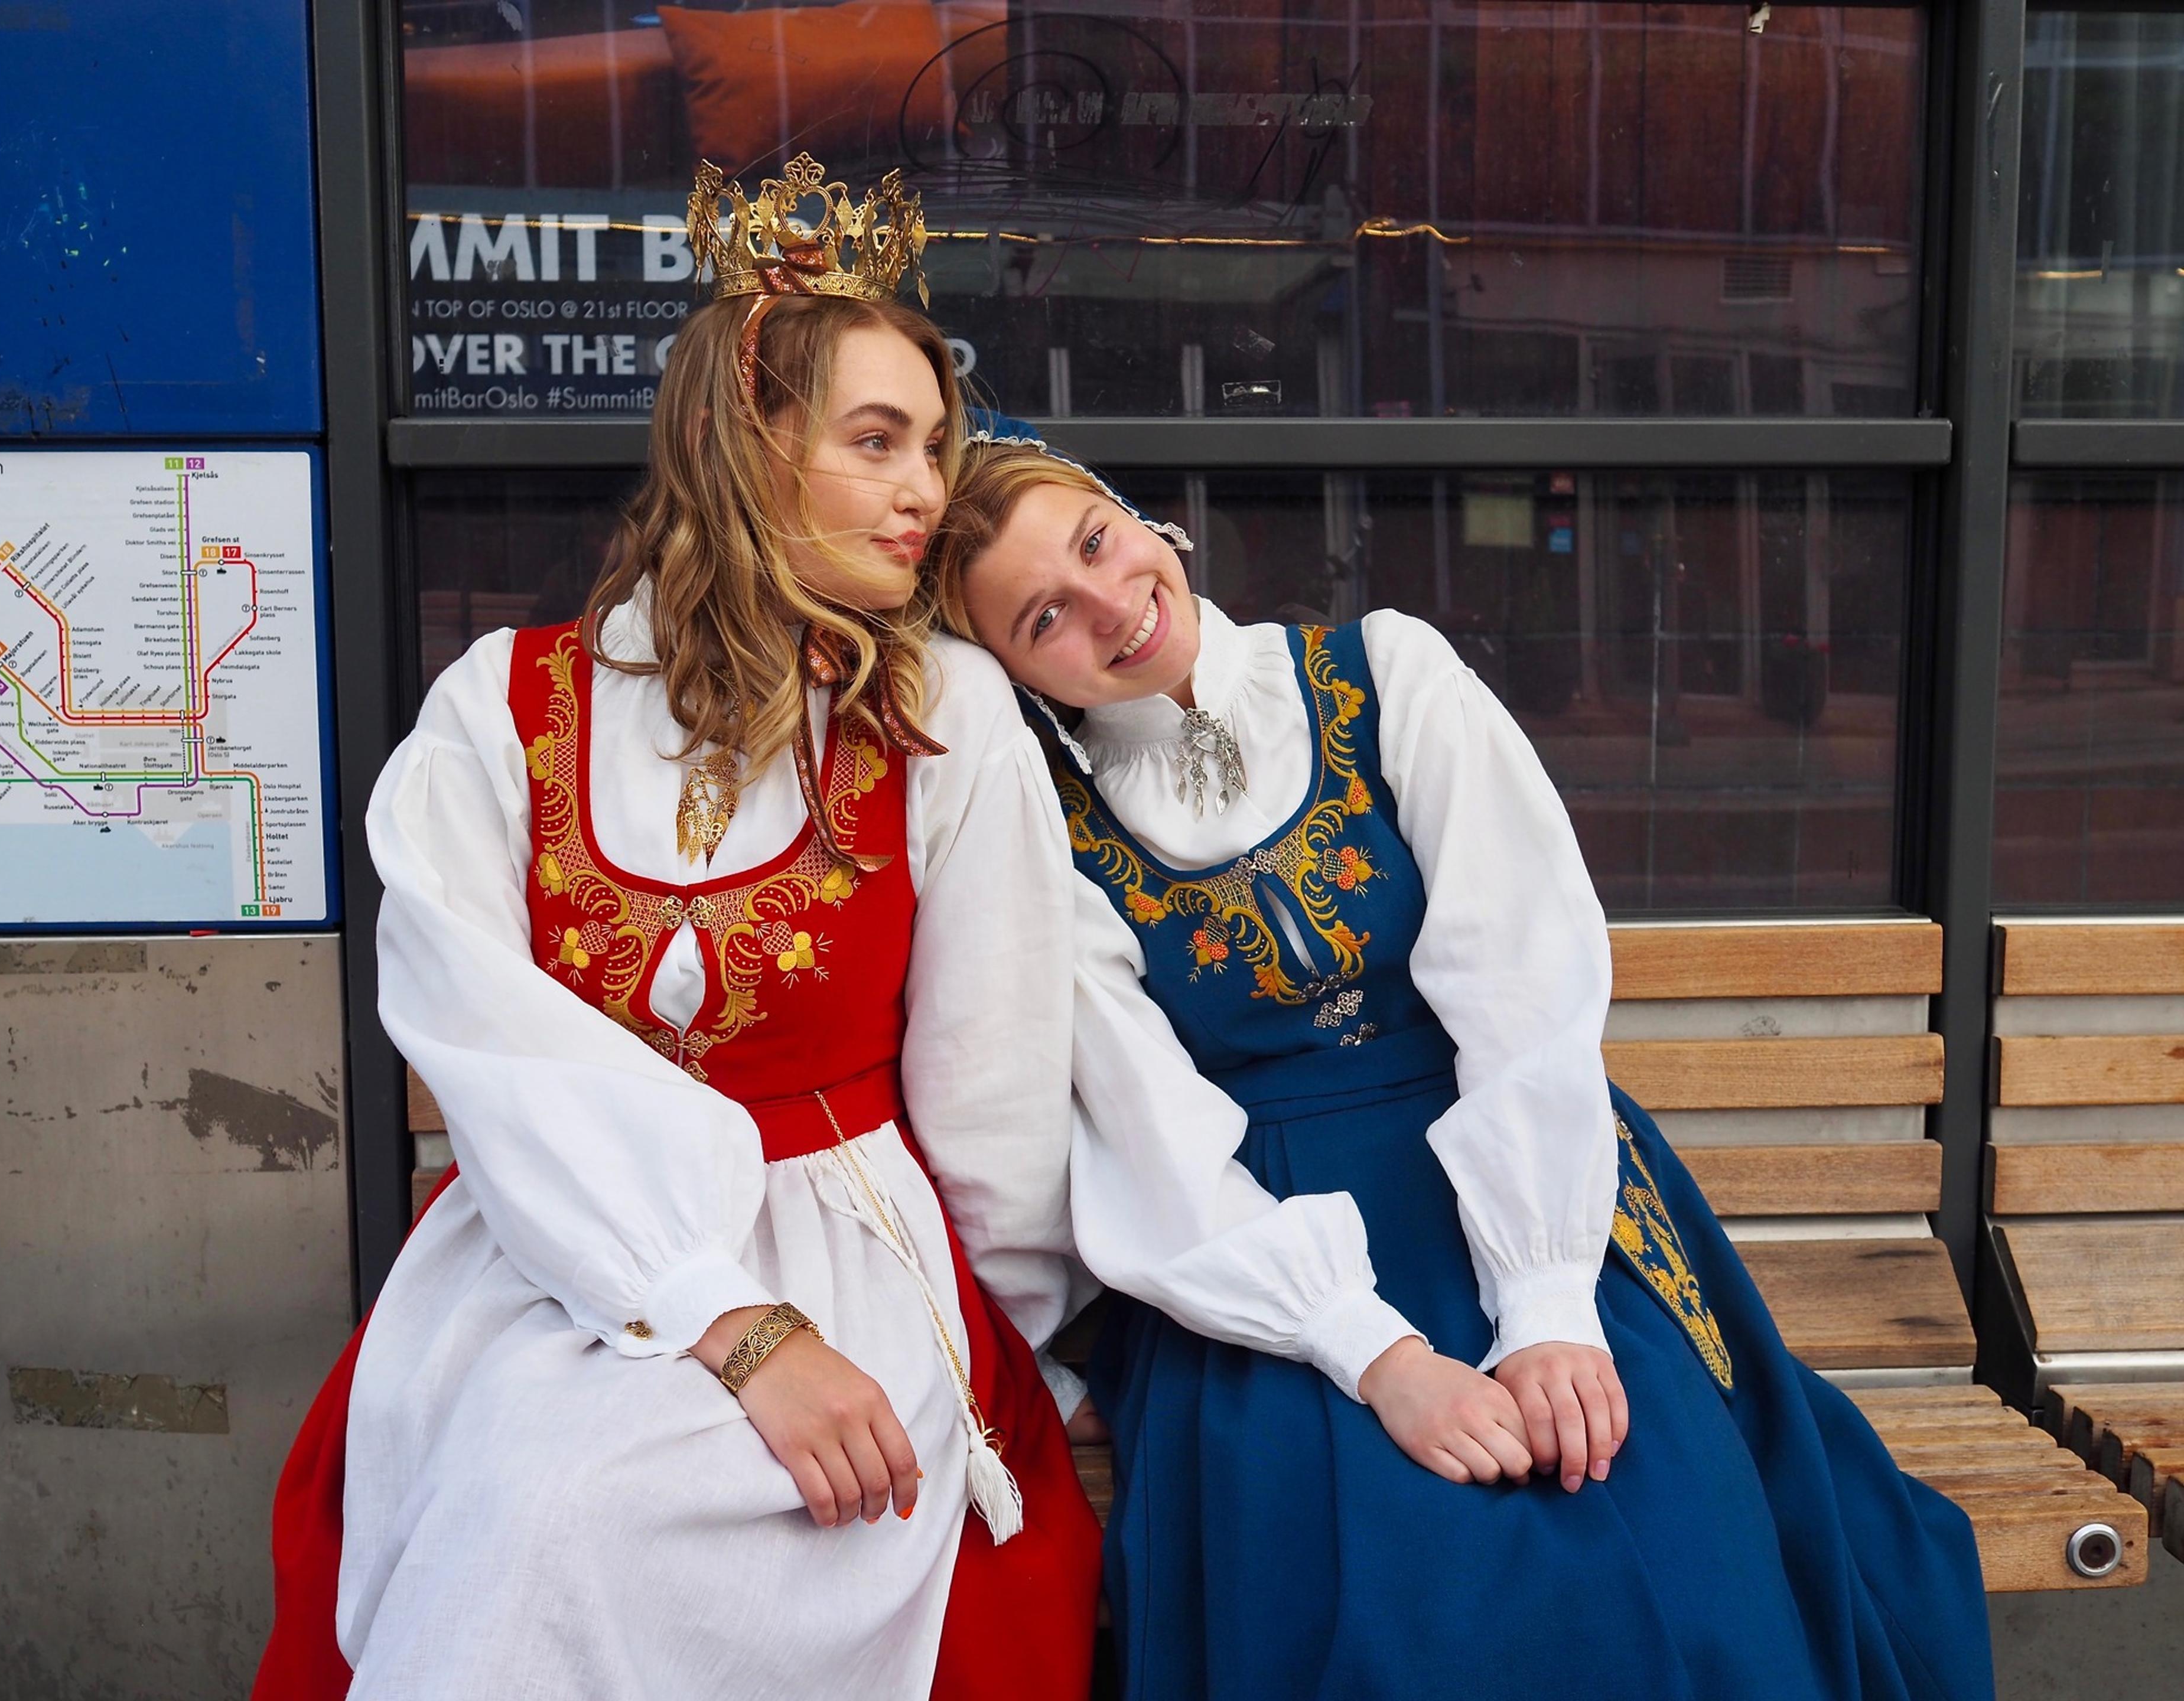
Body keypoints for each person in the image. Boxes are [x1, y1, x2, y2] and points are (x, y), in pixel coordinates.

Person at [927, 438, 1999, 1701]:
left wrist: (1544, 1305)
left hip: (1512, 1171)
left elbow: (1520, 986)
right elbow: (1148, 1133)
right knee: (1382, 1594)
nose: (1108, 606)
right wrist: (1374, 1354)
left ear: (1143, 521)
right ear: (1007, 670)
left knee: (1653, 1526)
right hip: (1258, 1253)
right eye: (1044, 615)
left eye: (1097, 542)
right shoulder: (1051, 829)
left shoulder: (1385, 671)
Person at [251, 161, 1101, 1701]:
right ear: (744, 444)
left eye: (937, 446)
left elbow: (996, 1085)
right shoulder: (504, 712)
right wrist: (720, 1317)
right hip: (562, 1248)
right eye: (875, 440)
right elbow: (487, 1045)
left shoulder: (939, 715)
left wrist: (1002, 1354)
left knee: (617, 1523)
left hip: (852, 1245)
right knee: (527, 1516)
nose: (926, 489)